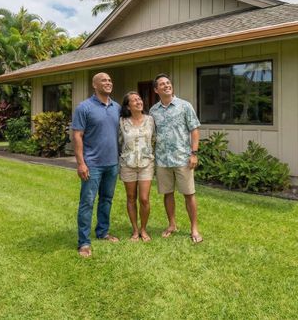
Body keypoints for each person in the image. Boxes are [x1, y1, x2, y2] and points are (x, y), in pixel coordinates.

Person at [149, 73, 203, 243]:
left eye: (168, 83)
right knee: (168, 193)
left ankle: (194, 228)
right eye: (162, 84)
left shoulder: (185, 106)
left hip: (182, 158)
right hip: (162, 160)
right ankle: (172, 224)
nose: (166, 85)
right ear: (156, 90)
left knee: (189, 193)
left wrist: (194, 153)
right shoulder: (153, 111)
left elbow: (194, 130)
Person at [72, 72, 121, 258]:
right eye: (103, 80)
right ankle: (83, 242)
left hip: (112, 163)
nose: (108, 82)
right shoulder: (84, 107)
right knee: (87, 202)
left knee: (107, 200)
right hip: (92, 164)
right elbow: (77, 136)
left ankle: (103, 232)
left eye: (110, 80)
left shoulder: (116, 107)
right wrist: (81, 163)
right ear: (95, 85)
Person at [118, 91, 155, 242]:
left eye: (139, 98)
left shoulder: (150, 120)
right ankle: (135, 230)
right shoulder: (122, 121)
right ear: (128, 106)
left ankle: (144, 229)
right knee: (131, 197)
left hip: (146, 163)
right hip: (128, 164)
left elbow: (154, 139)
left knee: (144, 199)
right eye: (134, 100)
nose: (139, 101)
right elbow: (119, 140)